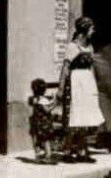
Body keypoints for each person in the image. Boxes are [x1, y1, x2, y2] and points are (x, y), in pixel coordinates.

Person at [56, 16, 104, 162]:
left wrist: (94, 87)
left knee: (85, 119)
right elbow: (65, 67)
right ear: (84, 30)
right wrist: (60, 87)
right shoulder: (73, 47)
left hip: (87, 84)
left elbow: (92, 68)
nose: (93, 31)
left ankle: (83, 152)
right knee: (74, 120)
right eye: (91, 28)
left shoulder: (89, 47)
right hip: (75, 83)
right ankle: (68, 152)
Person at [28, 78, 57, 163]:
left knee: (36, 138)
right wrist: (55, 103)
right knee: (46, 139)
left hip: (35, 122)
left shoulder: (33, 99)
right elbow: (47, 109)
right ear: (43, 90)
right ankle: (48, 156)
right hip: (44, 123)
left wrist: (50, 100)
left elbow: (34, 104)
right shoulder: (43, 100)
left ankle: (37, 155)